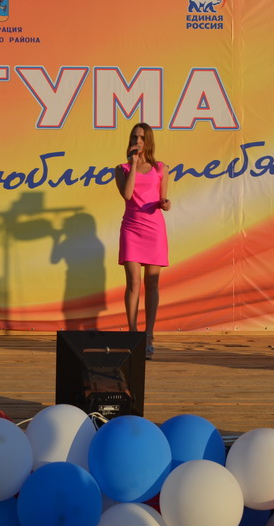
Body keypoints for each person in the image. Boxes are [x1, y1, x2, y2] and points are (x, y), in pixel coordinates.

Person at [114, 123, 171, 359]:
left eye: (142, 137)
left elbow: (163, 199)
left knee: (152, 283)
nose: (137, 141)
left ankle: (148, 335)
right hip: (132, 228)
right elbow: (128, 194)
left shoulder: (161, 168)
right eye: (134, 137)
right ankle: (133, 334)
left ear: (148, 141)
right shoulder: (122, 169)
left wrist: (165, 204)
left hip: (154, 229)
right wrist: (134, 164)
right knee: (133, 283)